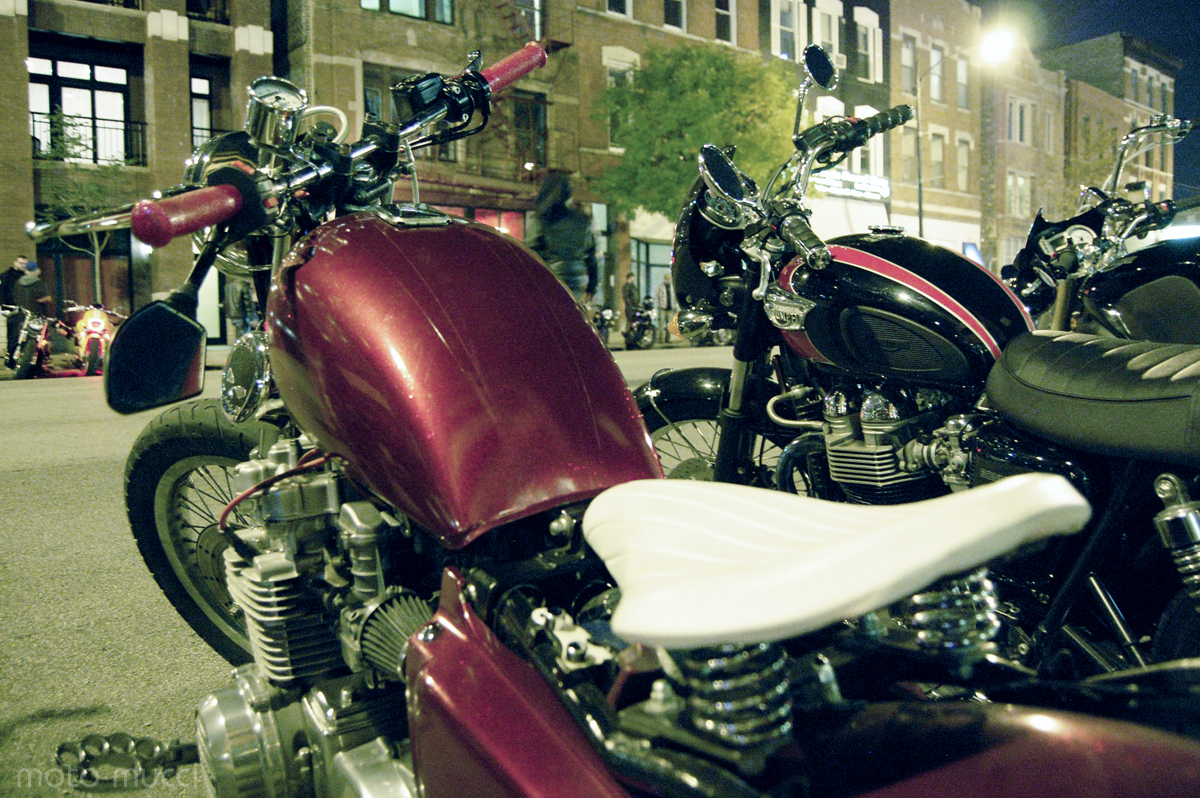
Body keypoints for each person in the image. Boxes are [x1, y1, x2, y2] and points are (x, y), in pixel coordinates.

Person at [528, 172, 598, 305]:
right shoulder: (582, 219)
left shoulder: (541, 219)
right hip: (578, 277)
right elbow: (591, 256)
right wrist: (592, 286)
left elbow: (531, 254)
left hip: (551, 277)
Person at [7, 257, 52, 361]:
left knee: (18, 337)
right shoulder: (39, 283)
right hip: (37, 314)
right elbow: (45, 298)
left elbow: (14, 297)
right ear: (36, 271)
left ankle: (13, 358)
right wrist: (46, 299)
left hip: (22, 314)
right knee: (42, 337)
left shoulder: (18, 283)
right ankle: (42, 358)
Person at [654, 272, 675, 343]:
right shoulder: (660, 287)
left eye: (669, 279)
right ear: (664, 279)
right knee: (661, 325)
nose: (668, 280)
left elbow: (674, 298)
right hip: (662, 308)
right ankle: (660, 339)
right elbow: (656, 297)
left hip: (670, 309)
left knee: (669, 325)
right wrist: (658, 305)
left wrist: (674, 306)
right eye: (667, 279)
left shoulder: (672, 287)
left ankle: (667, 339)